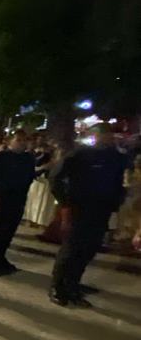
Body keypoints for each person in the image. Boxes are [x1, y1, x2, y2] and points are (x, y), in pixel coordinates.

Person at [49, 125, 128, 306]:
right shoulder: (80, 155)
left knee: (88, 250)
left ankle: (73, 285)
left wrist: (117, 201)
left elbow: (120, 181)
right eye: (104, 135)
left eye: (111, 135)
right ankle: (58, 287)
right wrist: (65, 201)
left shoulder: (116, 157)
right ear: (95, 136)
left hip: (101, 210)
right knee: (71, 249)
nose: (109, 139)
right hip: (79, 208)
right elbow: (55, 177)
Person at [0, 130, 36, 275]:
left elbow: (30, 176)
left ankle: (1, 257)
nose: (22, 143)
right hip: (1, 199)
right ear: (10, 141)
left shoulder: (28, 158)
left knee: (10, 231)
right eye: (18, 140)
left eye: (24, 140)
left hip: (18, 199)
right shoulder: (0, 157)